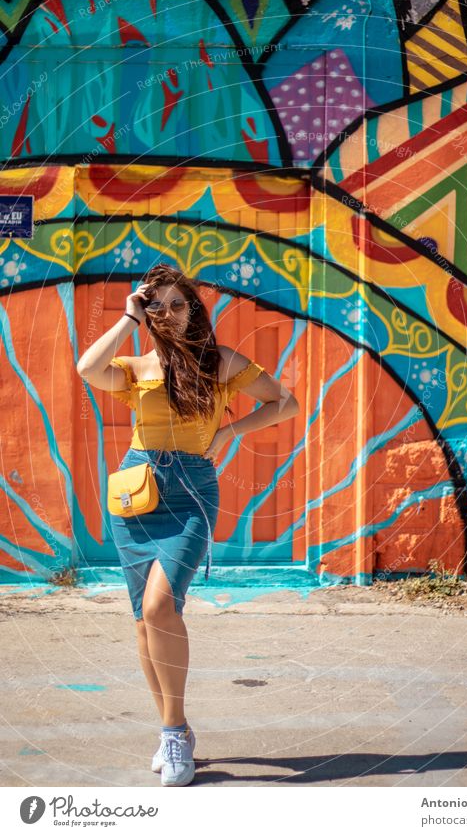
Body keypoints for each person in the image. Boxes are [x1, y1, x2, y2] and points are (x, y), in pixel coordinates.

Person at [76, 262, 299, 786]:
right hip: (137, 488)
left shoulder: (218, 362)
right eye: (159, 305)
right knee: (142, 618)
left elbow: (283, 403)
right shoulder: (135, 368)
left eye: (180, 304)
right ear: (146, 311)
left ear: (193, 310)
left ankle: (175, 735)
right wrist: (128, 318)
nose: (170, 314)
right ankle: (170, 728)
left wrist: (229, 433)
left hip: (193, 491)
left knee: (160, 606)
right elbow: (88, 368)